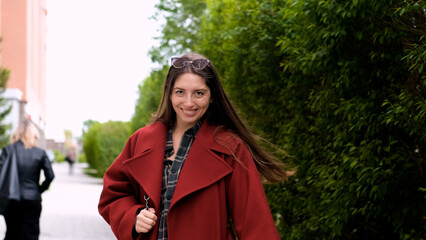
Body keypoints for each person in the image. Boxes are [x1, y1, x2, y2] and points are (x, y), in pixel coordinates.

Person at [98, 53, 288, 240]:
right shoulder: (141, 140)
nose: (189, 103)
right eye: (180, 92)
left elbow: (255, 224)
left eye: (199, 93)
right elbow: (113, 195)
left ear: (211, 96)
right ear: (169, 93)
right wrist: (133, 216)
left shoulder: (230, 149)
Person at [0, 120, 55, 240]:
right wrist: (39, 189)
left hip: (11, 199)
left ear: (17, 134)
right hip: (32, 199)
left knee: (11, 234)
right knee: (30, 234)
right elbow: (50, 175)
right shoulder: (40, 153)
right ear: (34, 135)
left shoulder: (8, 150)